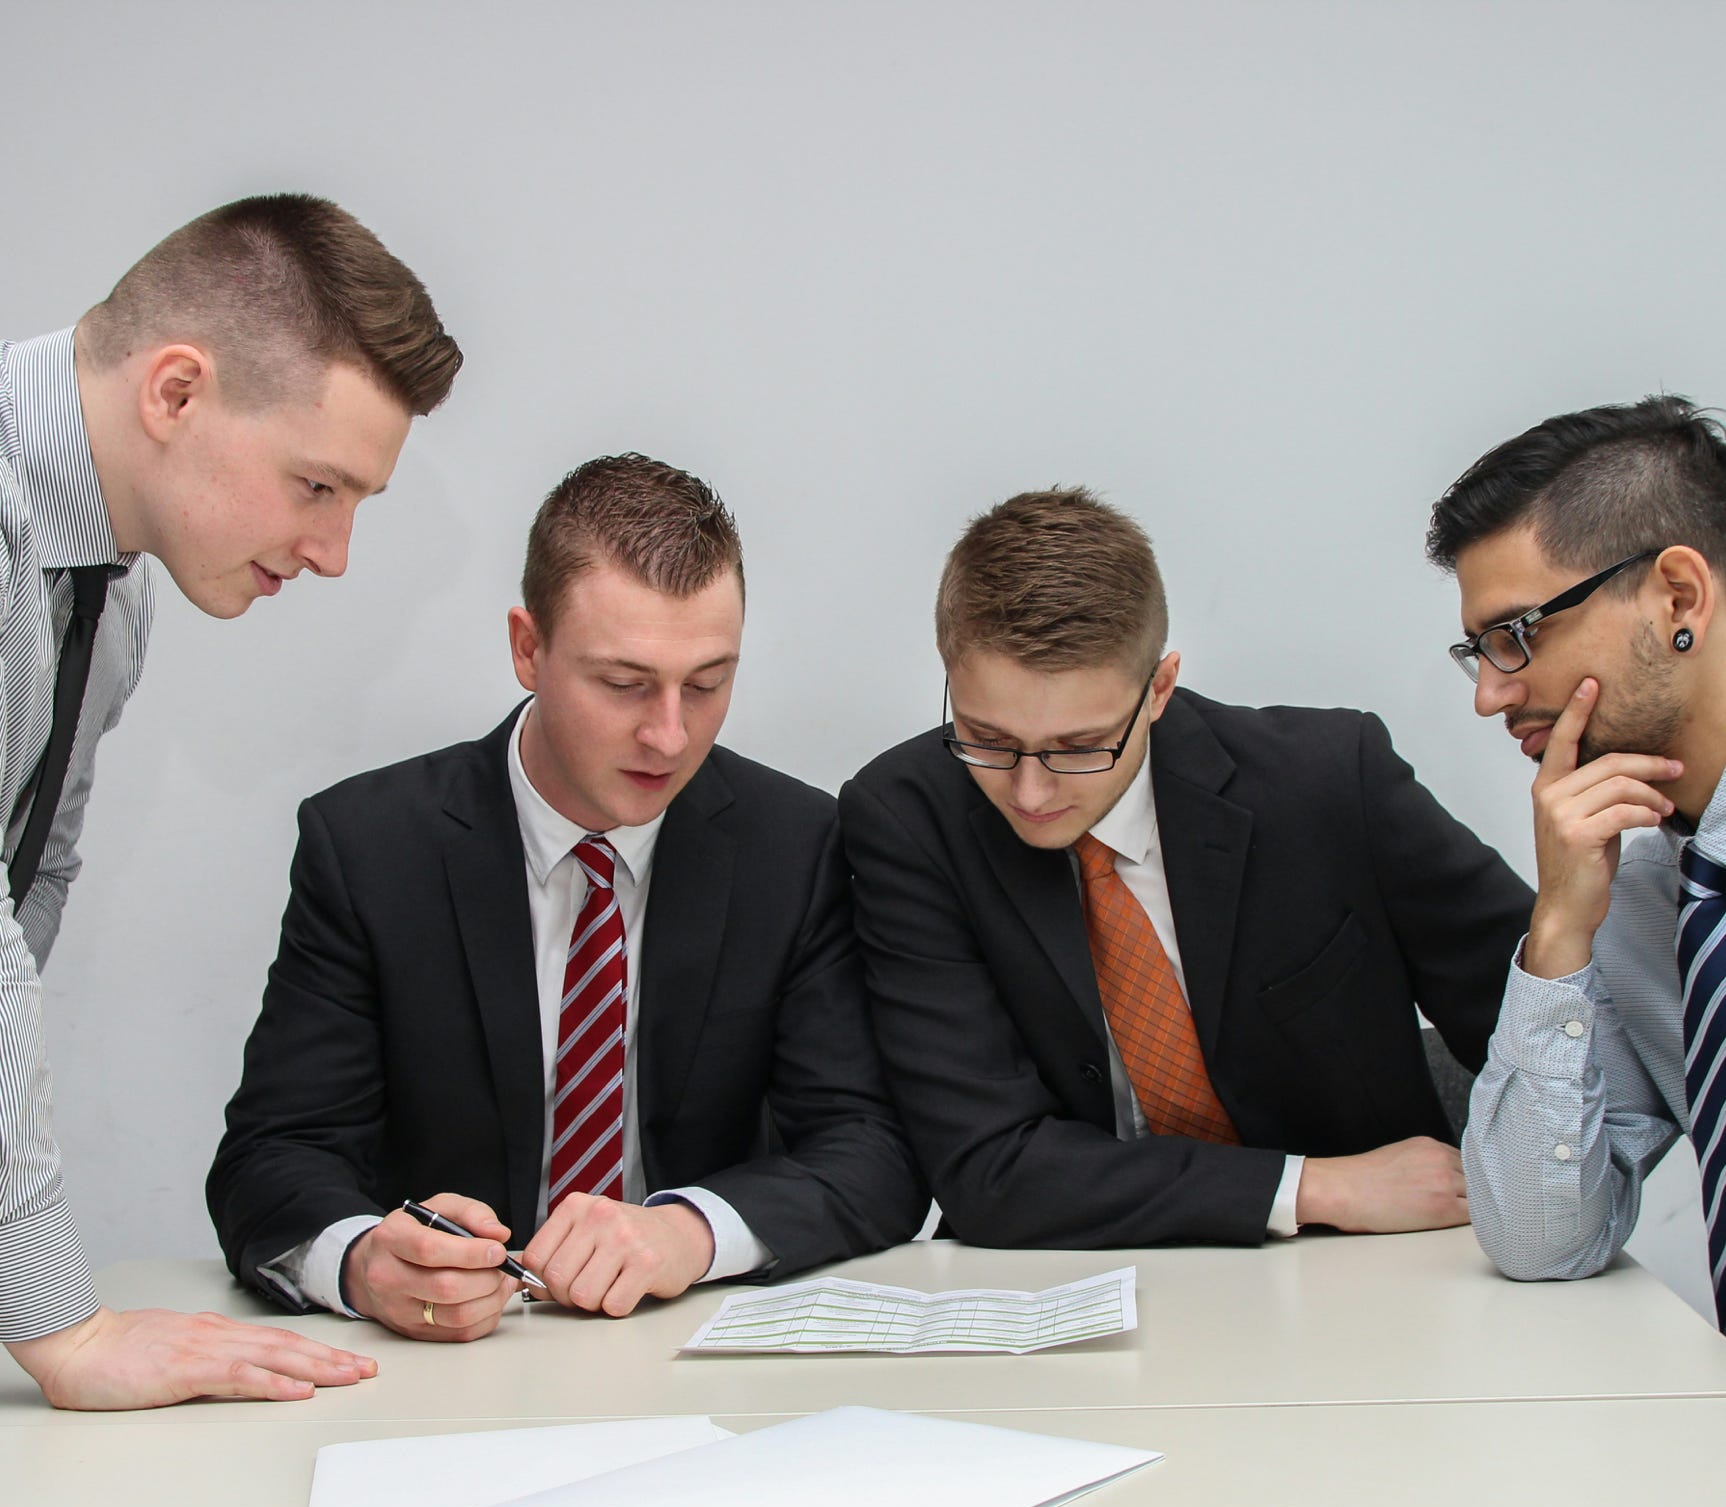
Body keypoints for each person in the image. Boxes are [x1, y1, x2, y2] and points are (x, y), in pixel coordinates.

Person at [206, 453, 927, 1340]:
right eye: (623, 684)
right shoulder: (369, 847)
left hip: (686, 1351)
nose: (669, 735)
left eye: (707, 685)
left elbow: (874, 1152)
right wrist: (364, 1263)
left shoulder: (796, 846)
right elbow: (272, 1157)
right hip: (443, 1369)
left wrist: (687, 1232)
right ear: (527, 648)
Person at [0, 193, 462, 1408]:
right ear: (176, 392)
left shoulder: (112, 592)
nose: (334, 551)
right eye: (316, 485)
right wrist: (67, 1330)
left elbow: (26, 880)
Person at [840, 487, 1532, 1249]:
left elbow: (1549, 1039)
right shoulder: (906, 819)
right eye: (986, 737)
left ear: (1159, 688)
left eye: (1079, 747)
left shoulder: (1330, 783)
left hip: (1372, 1274)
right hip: (1072, 1279)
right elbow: (988, 1171)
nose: (1030, 792)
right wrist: (1313, 1186)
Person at [1428, 395, 1726, 1327]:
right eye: (1477, 651)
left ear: (1678, 598)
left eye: (1518, 634)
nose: (1490, 694)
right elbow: (1539, 1239)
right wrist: (1557, 932)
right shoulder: (1651, 904)